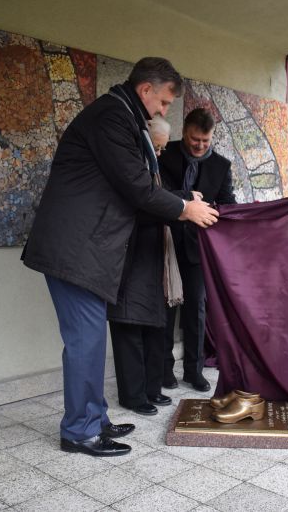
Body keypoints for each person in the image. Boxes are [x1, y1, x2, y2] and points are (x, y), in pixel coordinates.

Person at [22, 57, 219, 457]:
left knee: (91, 343)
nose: (165, 111)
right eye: (164, 102)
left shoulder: (122, 114)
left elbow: (135, 183)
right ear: (146, 89)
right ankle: (79, 432)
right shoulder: (112, 117)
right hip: (76, 249)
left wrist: (183, 197)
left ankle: (95, 419)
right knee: (85, 343)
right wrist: (186, 209)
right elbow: (136, 187)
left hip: (88, 250)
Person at [159, 107, 236, 392]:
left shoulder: (222, 166)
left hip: (198, 247)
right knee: (165, 309)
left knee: (197, 309)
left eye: (205, 141)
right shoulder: (164, 154)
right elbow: (156, 194)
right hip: (164, 242)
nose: (200, 146)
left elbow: (228, 205)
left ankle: (194, 370)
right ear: (184, 133)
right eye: (195, 140)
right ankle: (164, 369)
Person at [106, 116, 175, 416]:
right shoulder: (126, 166)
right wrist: (183, 203)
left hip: (150, 259)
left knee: (153, 327)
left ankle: (150, 389)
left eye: (161, 149)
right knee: (129, 327)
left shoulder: (152, 167)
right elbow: (141, 208)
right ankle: (133, 396)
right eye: (156, 148)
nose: (159, 155)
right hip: (126, 258)